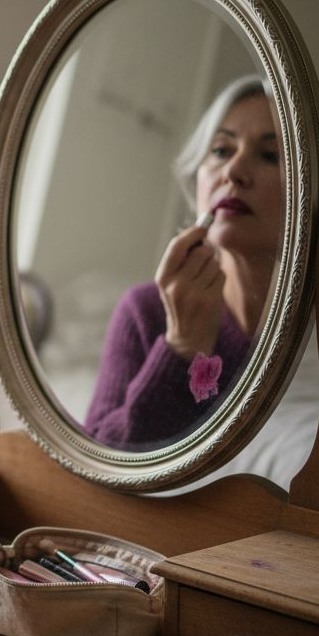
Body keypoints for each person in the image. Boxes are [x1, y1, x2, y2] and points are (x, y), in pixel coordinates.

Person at [84, 75, 282, 448]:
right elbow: (100, 457)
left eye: (270, 156)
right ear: (197, 178)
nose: (233, 172)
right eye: (222, 150)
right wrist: (183, 346)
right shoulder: (145, 313)